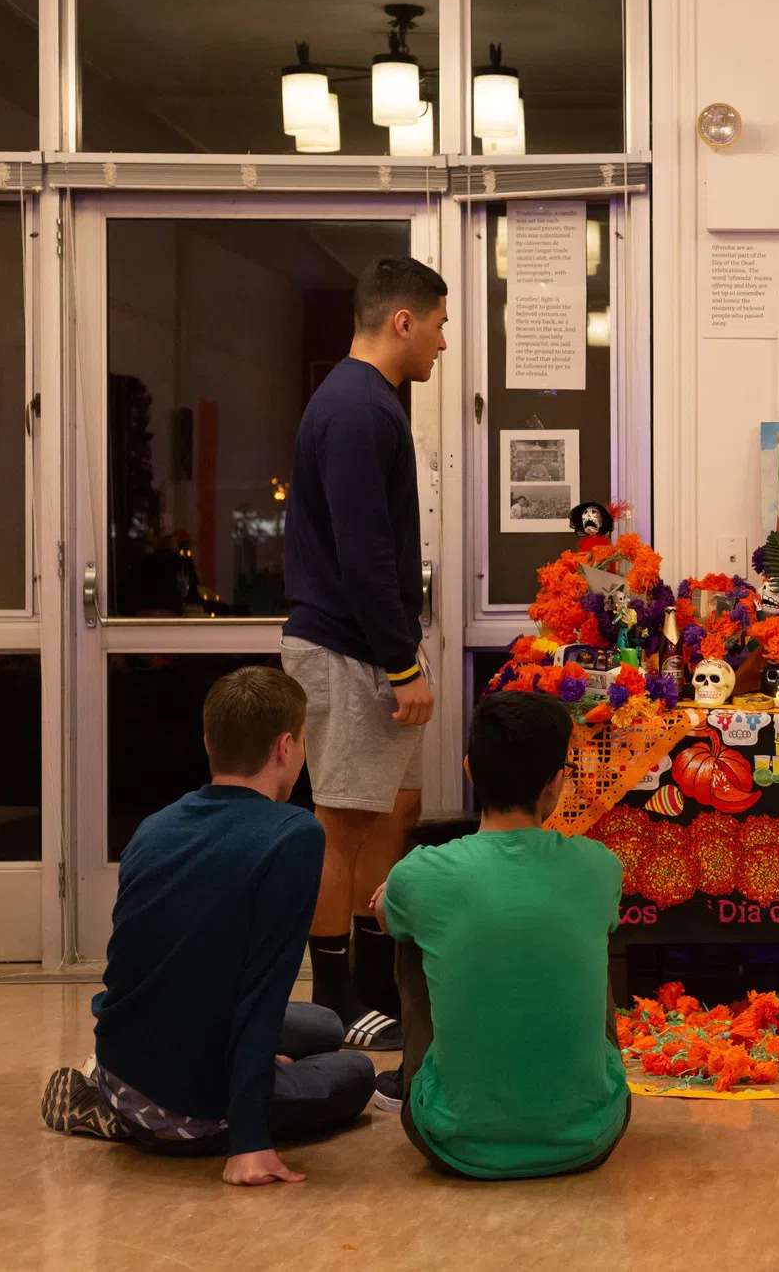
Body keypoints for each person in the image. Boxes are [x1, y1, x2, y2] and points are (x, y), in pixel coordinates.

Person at [39, 667, 375, 1186]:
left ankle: (107, 1092)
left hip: (124, 1060)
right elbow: (265, 988)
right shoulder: (293, 835)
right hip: (183, 1108)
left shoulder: (156, 825)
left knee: (326, 1026)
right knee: (355, 1075)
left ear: (208, 742)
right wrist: (250, 1140)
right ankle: (149, 1118)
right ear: (285, 747)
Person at [281, 255, 449, 1052]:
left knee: (394, 812)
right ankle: (337, 998)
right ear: (403, 321)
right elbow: (362, 552)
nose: (443, 343)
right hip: (348, 650)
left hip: (374, 648)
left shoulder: (374, 405)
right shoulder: (355, 408)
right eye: (440, 324)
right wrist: (403, 662)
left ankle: (380, 979)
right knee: (341, 824)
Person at [375, 692, 630, 1179]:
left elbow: (385, 918)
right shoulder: (602, 867)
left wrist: (397, 894)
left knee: (412, 932)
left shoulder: (420, 873)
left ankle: (422, 1080)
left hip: (451, 1144)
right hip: (591, 1136)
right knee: (577, 934)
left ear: (470, 771)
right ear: (556, 784)